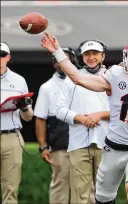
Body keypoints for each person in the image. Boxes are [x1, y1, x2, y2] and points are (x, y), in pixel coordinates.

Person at [41, 34, 128, 204]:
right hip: (112, 148)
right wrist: (57, 52)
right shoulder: (117, 75)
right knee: (103, 199)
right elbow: (78, 78)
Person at [56, 40, 110, 204]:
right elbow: (59, 109)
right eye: (87, 54)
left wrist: (100, 115)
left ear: (103, 55)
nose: (91, 57)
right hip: (78, 143)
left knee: (105, 194)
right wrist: (79, 118)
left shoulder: (114, 78)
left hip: (107, 143)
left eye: (95, 53)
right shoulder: (71, 79)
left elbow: (124, 110)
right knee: (80, 195)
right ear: (82, 57)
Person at [34, 47, 78, 204]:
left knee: (86, 187)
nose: (64, 62)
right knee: (60, 186)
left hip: (84, 144)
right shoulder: (47, 87)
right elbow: (40, 119)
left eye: (67, 59)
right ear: (54, 64)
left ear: (74, 61)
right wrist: (43, 146)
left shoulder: (85, 82)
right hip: (60, 146)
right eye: (60, 60)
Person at [0, 42, 33, 204]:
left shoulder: (18, 80)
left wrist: (24, 107)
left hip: (11, 136)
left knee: (10, 187)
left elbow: (28, 117)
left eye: (2, 54)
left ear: (8, 57)